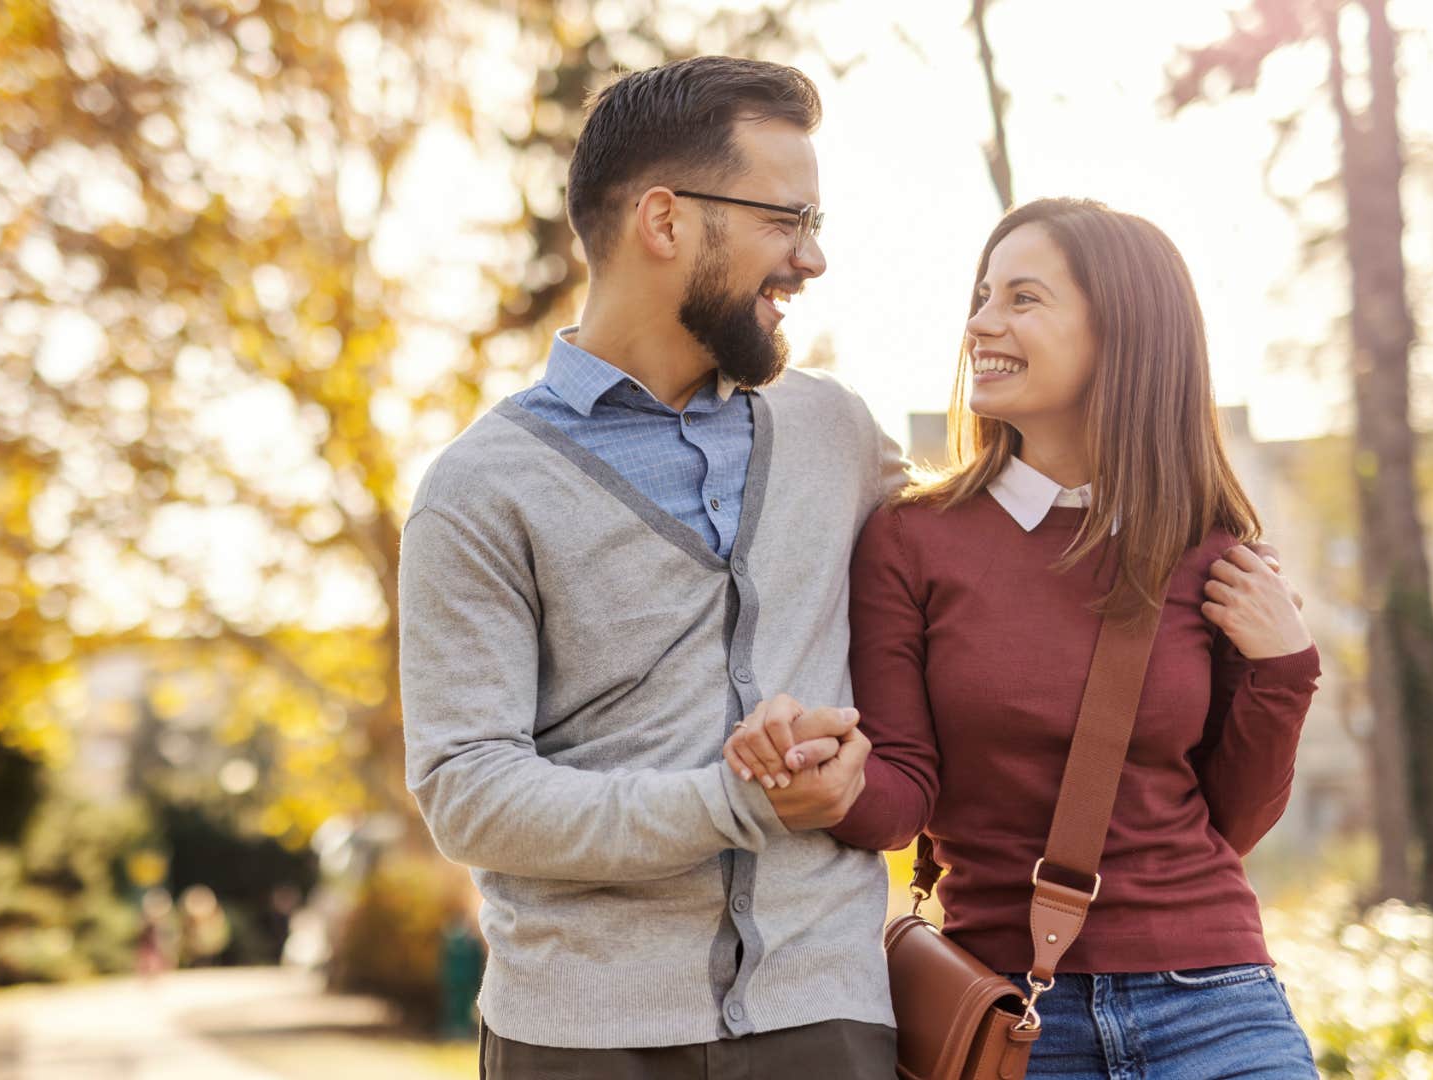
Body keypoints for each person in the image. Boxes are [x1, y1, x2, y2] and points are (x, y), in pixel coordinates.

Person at [726, 196, 1321, 1078]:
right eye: (981, 294)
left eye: (1022, 299)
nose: (980, 324)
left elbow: (1230, 818)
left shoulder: (1209, 549)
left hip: (1216, 1000)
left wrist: (1287, 668)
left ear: (1122, 334)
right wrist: (823, 777)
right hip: (1013, 1017)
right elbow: (902, 797)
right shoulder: (912, 539)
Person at [399, 55, 909, 1078]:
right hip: (582, 1035)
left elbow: (988, 569)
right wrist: (734, 804)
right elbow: (470, 791)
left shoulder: (836, 432)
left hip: (827, 1017)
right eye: (786, 220)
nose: (810, 260)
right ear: (666, 222)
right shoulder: (480, 487)